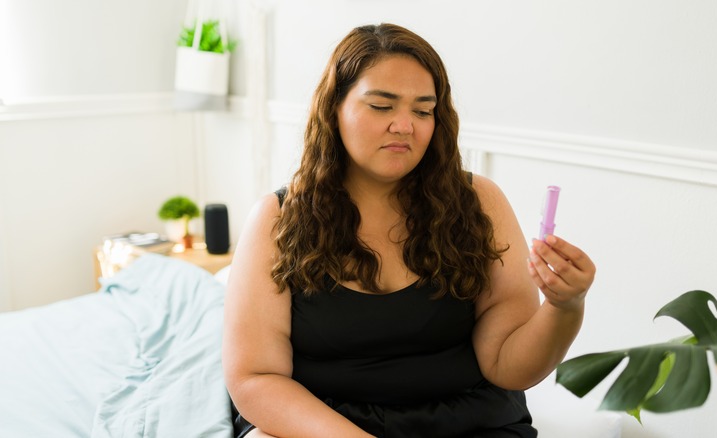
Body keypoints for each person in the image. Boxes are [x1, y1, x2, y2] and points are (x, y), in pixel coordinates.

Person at [222, 23, 595, 438]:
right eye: (382, 106)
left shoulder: (479, 203)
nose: (405, 126)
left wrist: (565, 306)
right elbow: (255, 378)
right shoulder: (277, 218)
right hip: (327, 427)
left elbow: (509, 367)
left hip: (468, 421)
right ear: (334, 109)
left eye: (422, 110)